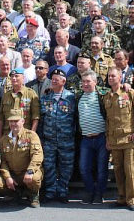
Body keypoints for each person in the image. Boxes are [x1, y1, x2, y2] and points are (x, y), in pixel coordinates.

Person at [104, 67, 134, 211]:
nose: (111, 78)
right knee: (118, 171)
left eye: (113, 76)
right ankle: (121, 198)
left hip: (129, 139)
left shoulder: (129, 93)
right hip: (114, 140)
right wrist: (107, 138)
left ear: (120, 78)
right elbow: (108, 120)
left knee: (130, 171)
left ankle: (133, 200)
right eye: (109, 76)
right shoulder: (106, 96)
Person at [0, 109, 44, 207]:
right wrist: (7, 177)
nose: (13, 124)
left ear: (23, 121)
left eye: (16, 121)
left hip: (28, 172)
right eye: (11, 121)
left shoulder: (31, 135)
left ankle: (33, 194)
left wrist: (30, 171)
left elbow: (37, 155)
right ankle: (16, 192)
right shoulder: (4, 139)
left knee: (35, 179)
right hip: (13, 174)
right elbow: (2, 161)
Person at [38, 69, 76, 203]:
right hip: (48, 140)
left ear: (63, 81)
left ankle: (62, 191)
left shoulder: (71, 97)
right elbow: (41, 119)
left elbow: (76, 118)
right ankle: (50, 191)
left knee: (66, 166)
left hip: (67, 140)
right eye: (52, 79)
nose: (53, 81)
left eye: (56, 79)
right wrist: (40, 138)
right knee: (49, 166)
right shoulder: (45, 97)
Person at [76, 70, 110, 204]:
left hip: (101, 137)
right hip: (86, 138)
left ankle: (99, 193)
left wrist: (126, 86)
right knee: (84, 168)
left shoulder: (103, 94)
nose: (85, 84)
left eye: (88, 81)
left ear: (95, 82)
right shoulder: (78, 95)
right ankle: (90, 191)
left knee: (102, 169)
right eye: (83, 81)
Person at [0, 68, 40, 138]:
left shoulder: (31, 94)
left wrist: (32, 135)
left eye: (16, 76)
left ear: (23, 78)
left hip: (24, 134)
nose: (14, 78)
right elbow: (1, 117)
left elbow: (35, 116)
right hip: (7, 134)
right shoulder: (6, 95)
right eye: (12, 76)